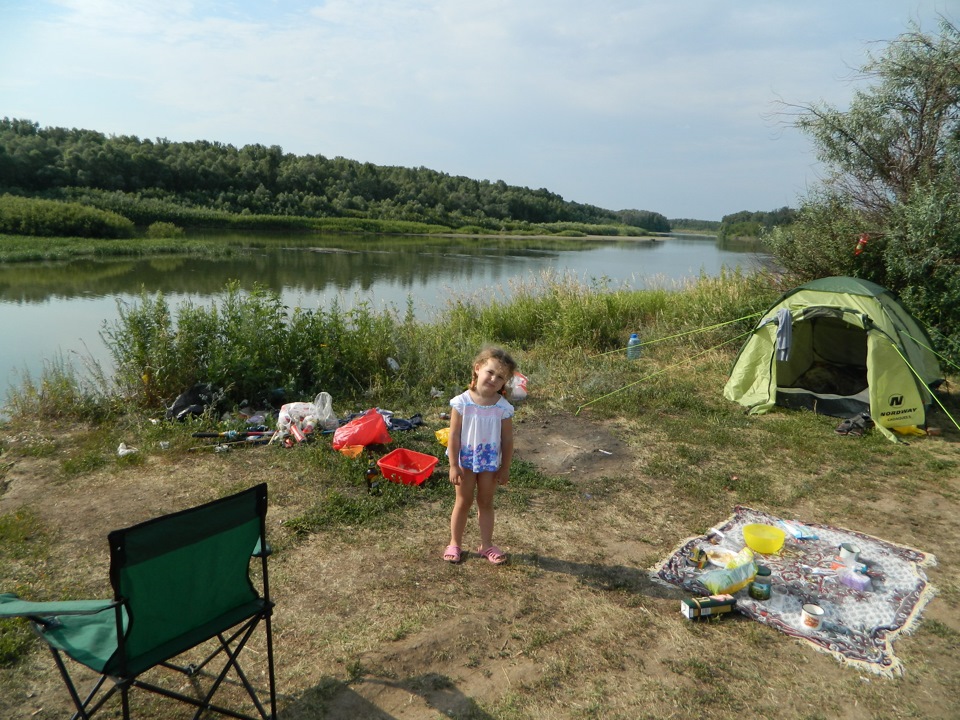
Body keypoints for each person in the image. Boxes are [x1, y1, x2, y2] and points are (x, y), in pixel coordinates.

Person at [443, 347, 516, 565]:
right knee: (462, 501)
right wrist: (453, 465)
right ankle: (455, 543)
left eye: (501, 377)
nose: (494, 378)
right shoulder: (462, 402)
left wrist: (505, 467)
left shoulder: (503, 408)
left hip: (490, 463)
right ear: (478, 369)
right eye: (490, 372)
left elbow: (508, 441)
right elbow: (453, 436)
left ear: (505, 383)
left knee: (485, 501)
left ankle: (486, 545)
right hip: (465, 461)